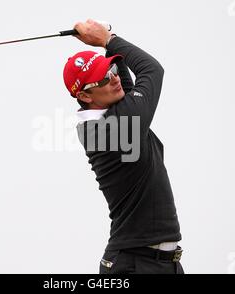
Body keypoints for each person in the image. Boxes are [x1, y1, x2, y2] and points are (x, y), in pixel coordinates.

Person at [63, 19, 184, 274]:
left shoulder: (110, 113)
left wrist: (105, 43)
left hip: (159, 264)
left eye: (112, 71)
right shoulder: (115, 130)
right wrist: (108, 38)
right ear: (85, 96)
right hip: (134, 265)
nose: (114, 79)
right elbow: (152, 71)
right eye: (104, 79)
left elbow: (121, 77)